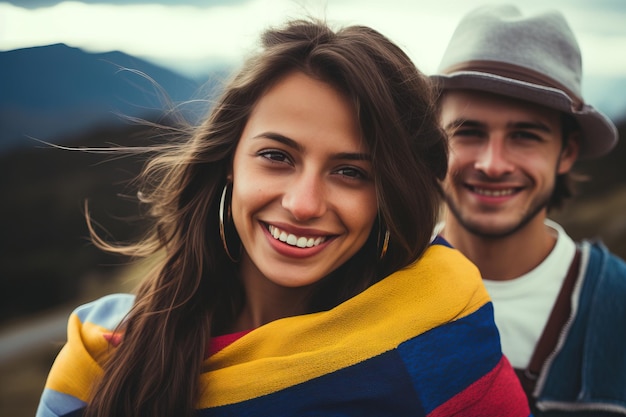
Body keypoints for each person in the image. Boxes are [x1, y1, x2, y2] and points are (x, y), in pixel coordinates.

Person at [36, 18, 530, 417]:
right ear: (229, 162)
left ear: (389, 194)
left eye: (351, 171)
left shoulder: (443, 348)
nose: (304, 203)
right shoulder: (105, 349)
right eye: (277, 157)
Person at [432, 4, 626, 416]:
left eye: (525, 135)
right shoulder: (364, 282)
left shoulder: (619, 304)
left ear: (567, 152)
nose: (492, 163)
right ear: (433, 140)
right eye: (468, 131)